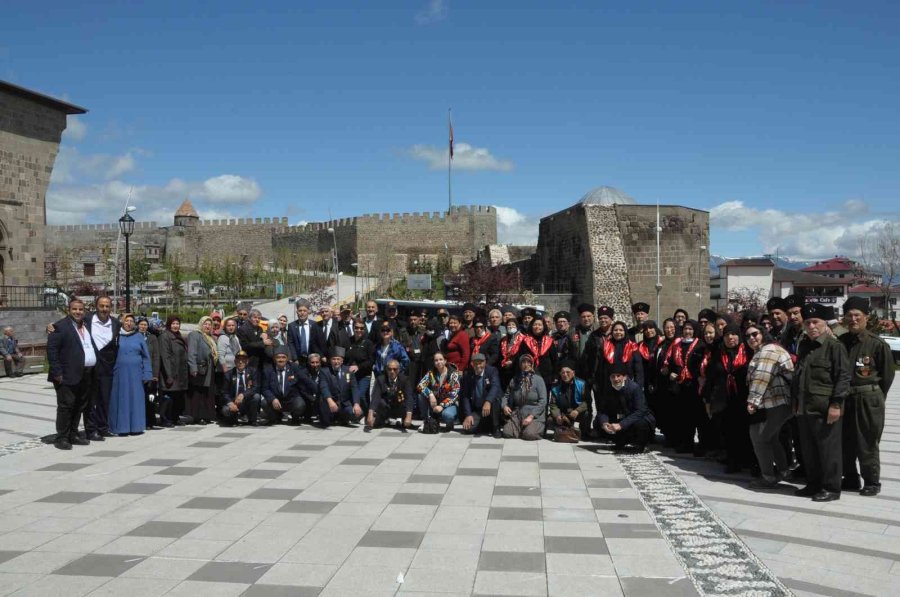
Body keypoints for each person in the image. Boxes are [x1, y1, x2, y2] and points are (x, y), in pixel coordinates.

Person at [792, 303, 851, 502]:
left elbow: (843, 377)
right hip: (804, 407)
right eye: (808, 323)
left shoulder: (835, 347)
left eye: (816, 322)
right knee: (809, 450)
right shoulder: (805, 346)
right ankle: (814, 483)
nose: (811, 326)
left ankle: (831, 488)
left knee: (828, 451)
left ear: (825, 323)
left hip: (825, 407)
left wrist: (836, 404)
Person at [839, 296, 895, 496]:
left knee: (867, 441)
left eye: (857, 315)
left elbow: (887, 376)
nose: (853, 319)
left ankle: (872, 481)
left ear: (866, 317)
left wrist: (874, 397)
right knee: (845, 441)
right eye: (849, 315)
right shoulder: (841, 342)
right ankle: (851, 478)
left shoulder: (877, 344)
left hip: (868, 399)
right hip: (845, 398)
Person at [745, 324, 795, 489]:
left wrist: (753, 401)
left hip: (777, 401)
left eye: (755, 334)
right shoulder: (762, 351)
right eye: (748, 336)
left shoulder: (769, 350)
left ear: (763, 333)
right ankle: (783, 471)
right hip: (774, 402)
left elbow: (762, 376)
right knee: (771, 438)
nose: (752, 338)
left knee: (760, 438)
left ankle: (768, 477)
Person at [46, 299, 97, 449]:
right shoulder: (60, 327)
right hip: (66, 375)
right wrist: (57, 372)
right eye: (74, 309)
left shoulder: (86, 324)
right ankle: (62, 437)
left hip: (85, 374)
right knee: (66, 407)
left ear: (85, 311)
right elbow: (52, 351)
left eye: (81, 309)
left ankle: (73, 434)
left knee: (79, 406)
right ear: (69, 310)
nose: (78, 312)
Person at [703, 324, 753, 473]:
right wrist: (707, 399)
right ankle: (733, 461)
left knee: (745, 431)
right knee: (728, 432)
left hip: (744, 399)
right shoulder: (718, 354)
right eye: (727, 335)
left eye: (733, 334)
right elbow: (710, 378)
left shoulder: (748, 352)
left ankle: (747, 460)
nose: (730, 338)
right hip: (724, 400)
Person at [662, 320, 708, 454]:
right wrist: (671, 371)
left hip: (696, 385)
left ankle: (701, 445)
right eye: (686, 329)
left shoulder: (700, 345)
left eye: (691, 329)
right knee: (684, 417)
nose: (688, 332)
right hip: (681, 385)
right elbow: (670, 362)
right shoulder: (677, 344)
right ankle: (686, 443)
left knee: (698, 417)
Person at [108, 314, 153, 435]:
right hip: (119, 374)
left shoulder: (138, 337)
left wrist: (147, 374)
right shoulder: (115, 336)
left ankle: (136, 427)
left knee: (135, 399)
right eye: (126, 321)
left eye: (131, 321)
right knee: (121, 400)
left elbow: (146, 357)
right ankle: (120, 428)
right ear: (122, 322)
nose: (129, 323)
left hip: (136, 375)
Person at [599, 362, 656, 452]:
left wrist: (621, 425)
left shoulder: (634, 388)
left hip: (633, 419)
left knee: (641, 424)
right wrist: (604, 423)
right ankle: (619, 442)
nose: (616, 379)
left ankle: (640, 445)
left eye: (618, 376)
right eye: (613, 376)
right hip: (618, 418)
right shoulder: (608, 389)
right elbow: (603, 410)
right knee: (598, 424)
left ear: (624, 377)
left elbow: (640, 411)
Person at [85, 296, 120, 441]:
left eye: (107, 306)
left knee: (104, 399)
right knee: (90, 400)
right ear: (96, 306)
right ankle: (91, 430)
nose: (104, 309)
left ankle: (103, 428)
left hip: (107, 367)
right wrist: (50, 327)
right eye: (101, 306)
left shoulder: (116, 323)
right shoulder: (87, 320)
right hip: (90, 367)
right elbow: (67, 324)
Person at [262, 346, 317, 425]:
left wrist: (321, 393)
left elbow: (307, 381)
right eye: (278, 357)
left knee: (300, 404)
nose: (281, 360)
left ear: (287, 358)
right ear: (274, 359)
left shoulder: (294, 367)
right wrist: (273, 398)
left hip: (292, 398)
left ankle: (295, 418)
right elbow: (265, 389)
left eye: (283, 357)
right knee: (264, 402)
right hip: (276, 399)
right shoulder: (268, 369)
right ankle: (275, 417)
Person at [501, 354, 547, 440]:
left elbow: (543, 401)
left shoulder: (538, 380)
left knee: (529, 435)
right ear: (520, 365)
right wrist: (504, 406)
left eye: (529, 362)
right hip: (518, 412)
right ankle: (521, 428)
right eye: (523, 362)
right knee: (507, 432)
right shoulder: (515, 379)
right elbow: (506, 395)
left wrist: (531, 416)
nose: (526, 364)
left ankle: (533, 429)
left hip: (534, 414)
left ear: (532, 364)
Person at [459, 353, 502, 437]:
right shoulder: (468, 374)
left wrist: (488, 401)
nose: (478, 365)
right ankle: (486, 424)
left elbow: (495, 386)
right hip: (479, 409)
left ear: (485, 362)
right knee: (467, 429)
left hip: (492, 406)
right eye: (475, 363)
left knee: (495, 398)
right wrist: (468, 415)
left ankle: (496, 427)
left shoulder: (492, 371)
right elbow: (465, 396)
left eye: (480, 363)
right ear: (472, 364)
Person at [319, 347, 364, 427]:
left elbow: (354, 388)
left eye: (338, 359)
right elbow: (324, 387)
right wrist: (330, 401)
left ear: (342, 361)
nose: (336, 362)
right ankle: (333, 417)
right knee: (326, 421)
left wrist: (356, 404)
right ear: (330, 360)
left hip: (344, 403)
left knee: (355, 414)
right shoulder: (324, 371)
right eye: (333, 359)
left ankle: (342, 417)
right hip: (330, 403)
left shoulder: (348, 371)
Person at [417, 352, 461, 432]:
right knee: (420, 396)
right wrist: (430, 394)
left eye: (441, 359)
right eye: (436, 360)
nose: (438, 362)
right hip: (434, 402)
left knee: (447, 415)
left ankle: (450, 422)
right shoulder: (431, 373)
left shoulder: (453, 374)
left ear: (445, 361)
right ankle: (427, 420)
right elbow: (420, 385)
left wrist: (441, 406)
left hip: (450, 403)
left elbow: (454, 395)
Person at [548, 359, 591, 442]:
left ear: (573, 373)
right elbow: (553, 404)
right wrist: (557, 416)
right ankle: (565, 430)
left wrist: (577, 411)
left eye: (568, 372)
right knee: (550, 419)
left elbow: (587, 401)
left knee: (586, 414)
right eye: (563, 372)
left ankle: (582, 433)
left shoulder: (581, 384)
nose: (565, 375)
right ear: (560, 374)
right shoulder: (555, 387)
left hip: (576, 413)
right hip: (563, 414)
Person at [158, 316, 189, 427]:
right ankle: (165, 419)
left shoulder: (178, 335)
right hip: (170, 372)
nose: (175, 326)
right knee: (168, 398)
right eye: (173, 324)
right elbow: (165, 356)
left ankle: (175, 418)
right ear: (169, 324)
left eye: (177, 323)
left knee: (177, 397)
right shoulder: (165, 336)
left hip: (180, 372)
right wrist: (169, 375)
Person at [366, 358, 414, 430]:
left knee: (405, 402)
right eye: (389, 369)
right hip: (386, 408)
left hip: (399, 406)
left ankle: (403, 420)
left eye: (395, 369)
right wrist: (370, 413)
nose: (392, 371)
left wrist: (409, 415)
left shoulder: (405, 380)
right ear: (386, 370)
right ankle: (382, 420)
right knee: (379, 403)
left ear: (398, 370)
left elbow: (409, 397)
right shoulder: (380, 379)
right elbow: (375, 397)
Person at [186, 316, 218, 425]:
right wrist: (193, 368)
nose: (207, 326)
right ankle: (197, 417)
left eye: (209, 324)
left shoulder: (210, 337)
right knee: (198, 394)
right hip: (199, 369)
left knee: (206, 393)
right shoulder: (195, 335)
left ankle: (207, 416)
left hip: (209, 369)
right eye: (205, 324)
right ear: (201, 324)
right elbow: (192, 353)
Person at [221, 350, 262, 426]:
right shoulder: (229, 374)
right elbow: (224, 392)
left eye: (243, 360)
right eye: (238, 360)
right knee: (225, 410)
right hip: (234, 401)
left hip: (247, 400)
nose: (240, 362)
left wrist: (243, 395)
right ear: (235, 361)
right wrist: (230, 403)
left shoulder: (253, 371)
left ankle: (252, 420)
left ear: (247, 361)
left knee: (256, 397)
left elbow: (255, 387)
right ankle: (233, 419)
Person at [519, 317, 557, 390]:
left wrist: (555, 375)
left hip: (546, 376)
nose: (537, 327)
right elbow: (521, 358)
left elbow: (554, 359)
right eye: (535, 324)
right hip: (529, 375)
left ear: (543, 327)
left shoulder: (549, 341)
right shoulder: (525, 341)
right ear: (531, 326)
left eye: (540, 325)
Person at [137, 317, 161, 428]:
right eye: (141, 324)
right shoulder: (134, 337)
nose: (143, 327)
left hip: (150, 373)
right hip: (137, 373)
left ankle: (150, 421)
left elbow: (156, 357)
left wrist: (155, 374)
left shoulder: (152, 338)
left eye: (145, 325)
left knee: (150, 398)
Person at [287, 299, 326, 365]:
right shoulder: (292, 326)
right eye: (300, 311)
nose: (302, 313)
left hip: (313, 361)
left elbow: (318, 342)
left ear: (308, 311)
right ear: (297, 312)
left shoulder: (315, 325)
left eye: (304, 311)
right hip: (298, 361)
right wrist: (295, 359)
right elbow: (291, 343)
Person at [237, 308, 272, 373]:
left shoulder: (260, 329)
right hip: (250, 361)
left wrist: (264, 338)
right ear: (249, 318)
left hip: (260, 362)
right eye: (255, 317)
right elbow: (245, 345)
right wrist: (262, 342)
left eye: (259, 318)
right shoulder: (242, 329)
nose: (257, 320)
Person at [498, 318, 525, 389]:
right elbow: (500, 354)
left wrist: (512, 362)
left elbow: (522, 354)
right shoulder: (503, 340)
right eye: (509, 325)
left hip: (517, 369)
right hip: (505, 370)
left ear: (517, 326)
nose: (511, 326)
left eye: (513, 325)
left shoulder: (523, 339)